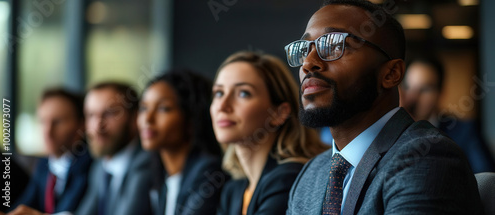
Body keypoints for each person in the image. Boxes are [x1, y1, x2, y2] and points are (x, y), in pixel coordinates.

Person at [285, 0, 482, 214]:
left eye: (333, 45)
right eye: (304, 49)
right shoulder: (311, 174)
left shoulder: (425, 156)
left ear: (391, 74)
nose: (308, 63)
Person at [211, 51, 328, 215]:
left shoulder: (287, 178)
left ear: (279, 113)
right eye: (219, 93)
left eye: (243, 93)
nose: (222, 106)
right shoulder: (234, 189)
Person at [137, 69, 226, 215]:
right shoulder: (161, 176)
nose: (147, 119)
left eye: (163, 109)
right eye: (143, 108)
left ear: (191, 117)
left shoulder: (209, 172)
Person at [401, 57, 495, 173]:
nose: (413, 97)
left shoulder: (465, 132)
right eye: (408, 87)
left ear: (441, 93)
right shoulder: (395, 133)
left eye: (425, 89)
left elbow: (487, 177)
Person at [8, 89, 92, 215]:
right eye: (42, 121)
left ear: (81, 125)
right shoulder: (44, 164)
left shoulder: (90, 165)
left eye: (57, 122)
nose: (47, 132)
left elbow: (69, 210)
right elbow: (23, 205)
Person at [75, 82, 152, 215]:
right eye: (91, 115)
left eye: (110, 113)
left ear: (135, 118)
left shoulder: (146, 163)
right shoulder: (99, 166)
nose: (98, 126)